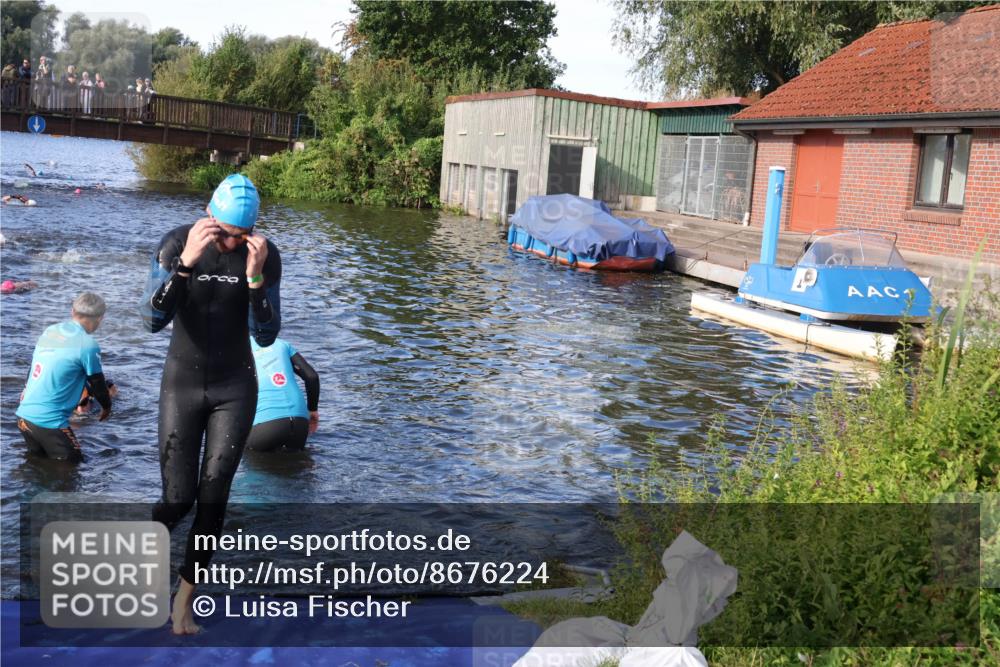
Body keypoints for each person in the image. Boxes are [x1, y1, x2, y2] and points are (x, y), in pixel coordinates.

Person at [141, 174, 281, 634]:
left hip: (235, 387)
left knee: (213, 495)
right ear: (208, 215)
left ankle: (183, 604)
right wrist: (184, 266)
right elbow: (151, 319)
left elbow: (266, 335)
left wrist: (256, 280)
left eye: (237, 236)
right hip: (182, 384)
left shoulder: (262, 254)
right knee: (178, 500)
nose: (227, 242)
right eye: (220, 231)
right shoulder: (175, 244)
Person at [14, 293, 113, 463]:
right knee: (72, 469)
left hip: (24, 417)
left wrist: (25, 388)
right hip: (49, 422)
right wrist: (107, 407)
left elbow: (34, 365)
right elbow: (96, 381)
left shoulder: (50, 331)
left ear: (72, 311)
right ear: (100, 318)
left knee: (36, 466)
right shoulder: (87, 344)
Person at [246, 336, 319, 452]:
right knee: (296, 465)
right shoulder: (283, 344)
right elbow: (312, 377)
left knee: (247, 457)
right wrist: (312, 410)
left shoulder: (239, 349)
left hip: (265, 426)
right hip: (299, 423)